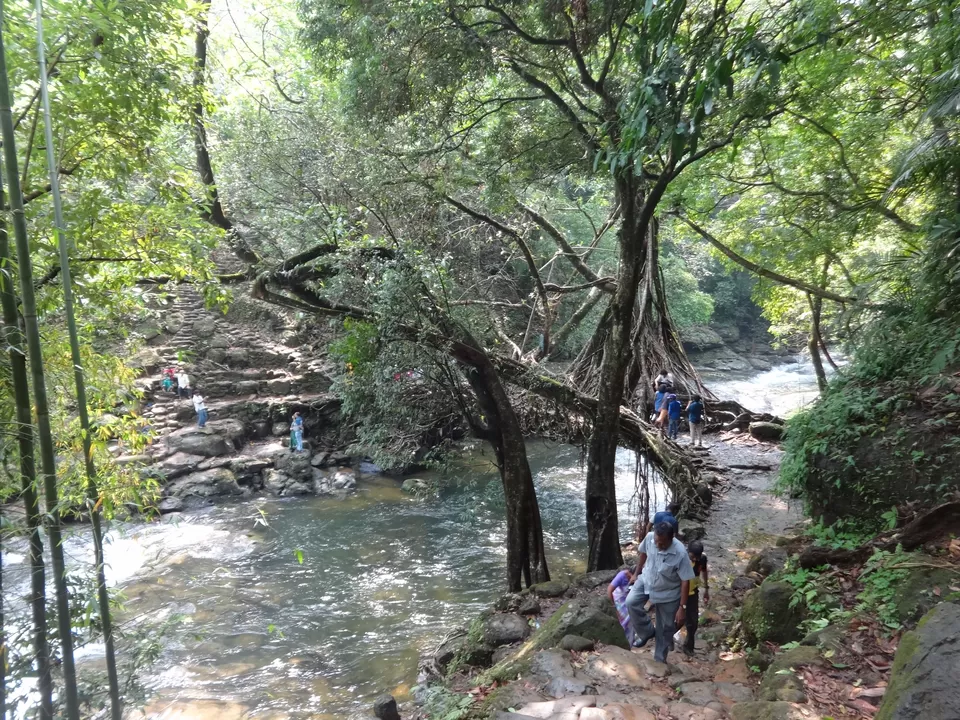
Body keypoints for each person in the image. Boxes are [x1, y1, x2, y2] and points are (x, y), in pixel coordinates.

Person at [626, 522, 695, 664]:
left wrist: (682, 607)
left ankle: (659, 660)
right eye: (656, 541)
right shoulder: (650, 537)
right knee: (631, 602)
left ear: (672, 538)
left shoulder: (680, 553)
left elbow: (685, 581)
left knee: (665, 627)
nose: (658, 545)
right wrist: (636, 574)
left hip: (668, 592)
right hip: (646, 580)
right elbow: (643, 554)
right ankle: (647, 632)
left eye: (662, 543)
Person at [683, 540, 710, 657]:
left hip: (693, 593)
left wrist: (706, 589)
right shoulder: (682, 559)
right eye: (693, 557)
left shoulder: (702, 560)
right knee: (679, 620)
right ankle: (666, 640)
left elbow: (704, 571)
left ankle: (689, 647)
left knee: (693, 622)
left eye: (697, 557)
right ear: (688, 552)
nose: (695, 560)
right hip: (680, 594)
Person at [607, 568, 635, 644]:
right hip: (618, 601)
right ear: (630, 573)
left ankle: (630, 642)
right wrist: (613, 607)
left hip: (629, 600)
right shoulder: (622, 575)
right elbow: (609, 590)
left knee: (631, 620)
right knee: (622, 621)